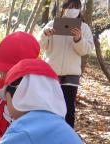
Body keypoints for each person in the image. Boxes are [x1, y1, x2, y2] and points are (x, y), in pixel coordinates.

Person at [37, 0, 94, 128]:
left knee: (68, 109)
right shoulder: (52, 24)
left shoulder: (84, 27)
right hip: (51, 74)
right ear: (64, 8)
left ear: (80, 9)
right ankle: (45, 133)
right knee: (47, 107)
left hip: (71, 75)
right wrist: (45, 34)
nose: (73, 9)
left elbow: (86, 50)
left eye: (76, 7)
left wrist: (78, 39)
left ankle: (67, 138)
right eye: (70, 6)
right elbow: (40, 46)